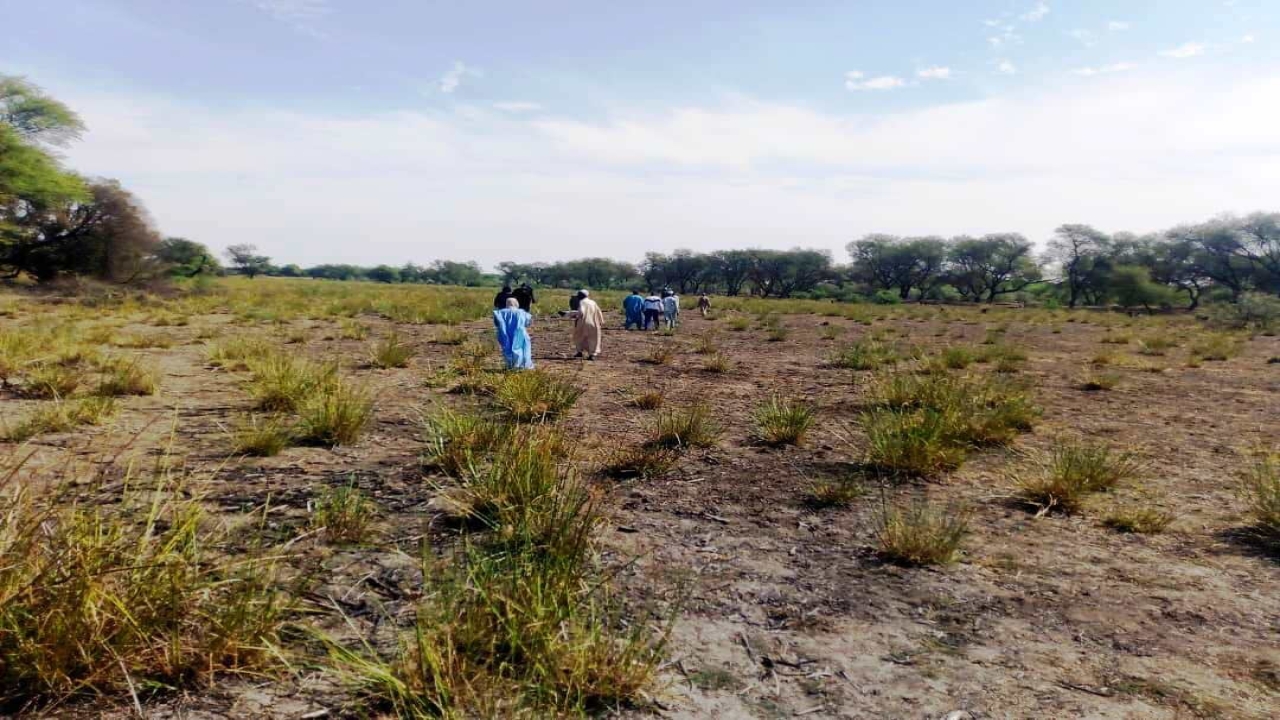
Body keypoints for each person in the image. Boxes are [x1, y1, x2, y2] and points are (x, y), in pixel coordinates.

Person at [493, 297, 534, 369]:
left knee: (507, 348)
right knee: (521, 348)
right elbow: (528, 323)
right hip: (519, 333)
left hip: (505, 333)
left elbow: (497, 323)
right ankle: (522, 366)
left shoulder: (500, 312)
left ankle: (510, 365)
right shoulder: (522, 312)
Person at [570, 290, 604, 360]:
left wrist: (573, 315)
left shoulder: (581, 302)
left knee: (578, 337)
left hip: (582, 323)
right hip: (593, 323)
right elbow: (599, 312)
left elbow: (581, 312)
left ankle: (579, 352)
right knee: (593, 339)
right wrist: (601, 321)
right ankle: (592, 355)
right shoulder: (593, 302)